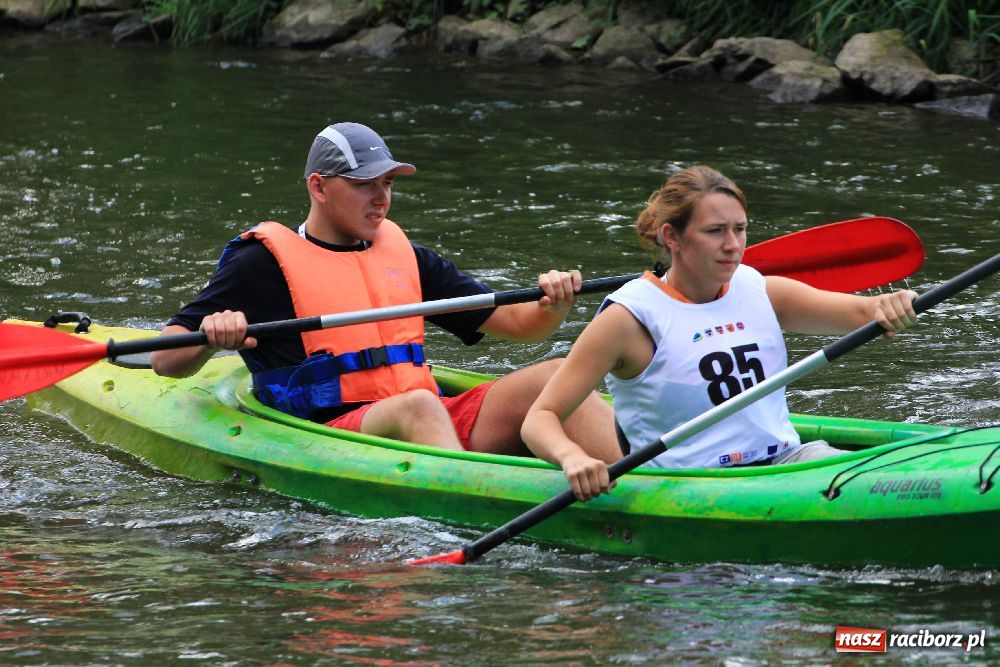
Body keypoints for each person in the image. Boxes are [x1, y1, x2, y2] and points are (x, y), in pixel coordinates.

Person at [151, 122, 620, 461]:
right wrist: (212, 336)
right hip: (334, 434)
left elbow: (522, 325)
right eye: (363, 185)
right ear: (319, 186)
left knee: (555, 374)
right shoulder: (260, 264)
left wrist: (554, 305)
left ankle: (646, 485)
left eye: (388, 183)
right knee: (418, 405)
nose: (382, 198)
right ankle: (471, 502)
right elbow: (166, 361)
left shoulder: (407, 257)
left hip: (429, 424)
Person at [520, 165, 919, 502]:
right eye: (715, 231)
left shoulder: (759, 287)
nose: (733, 245)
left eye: (740, 230)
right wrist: (572, 457)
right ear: (671, 237)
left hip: (789, 461)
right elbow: (540, 418)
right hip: (689, 486)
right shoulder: (629, 318)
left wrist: (889, 305)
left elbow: (862, 312)